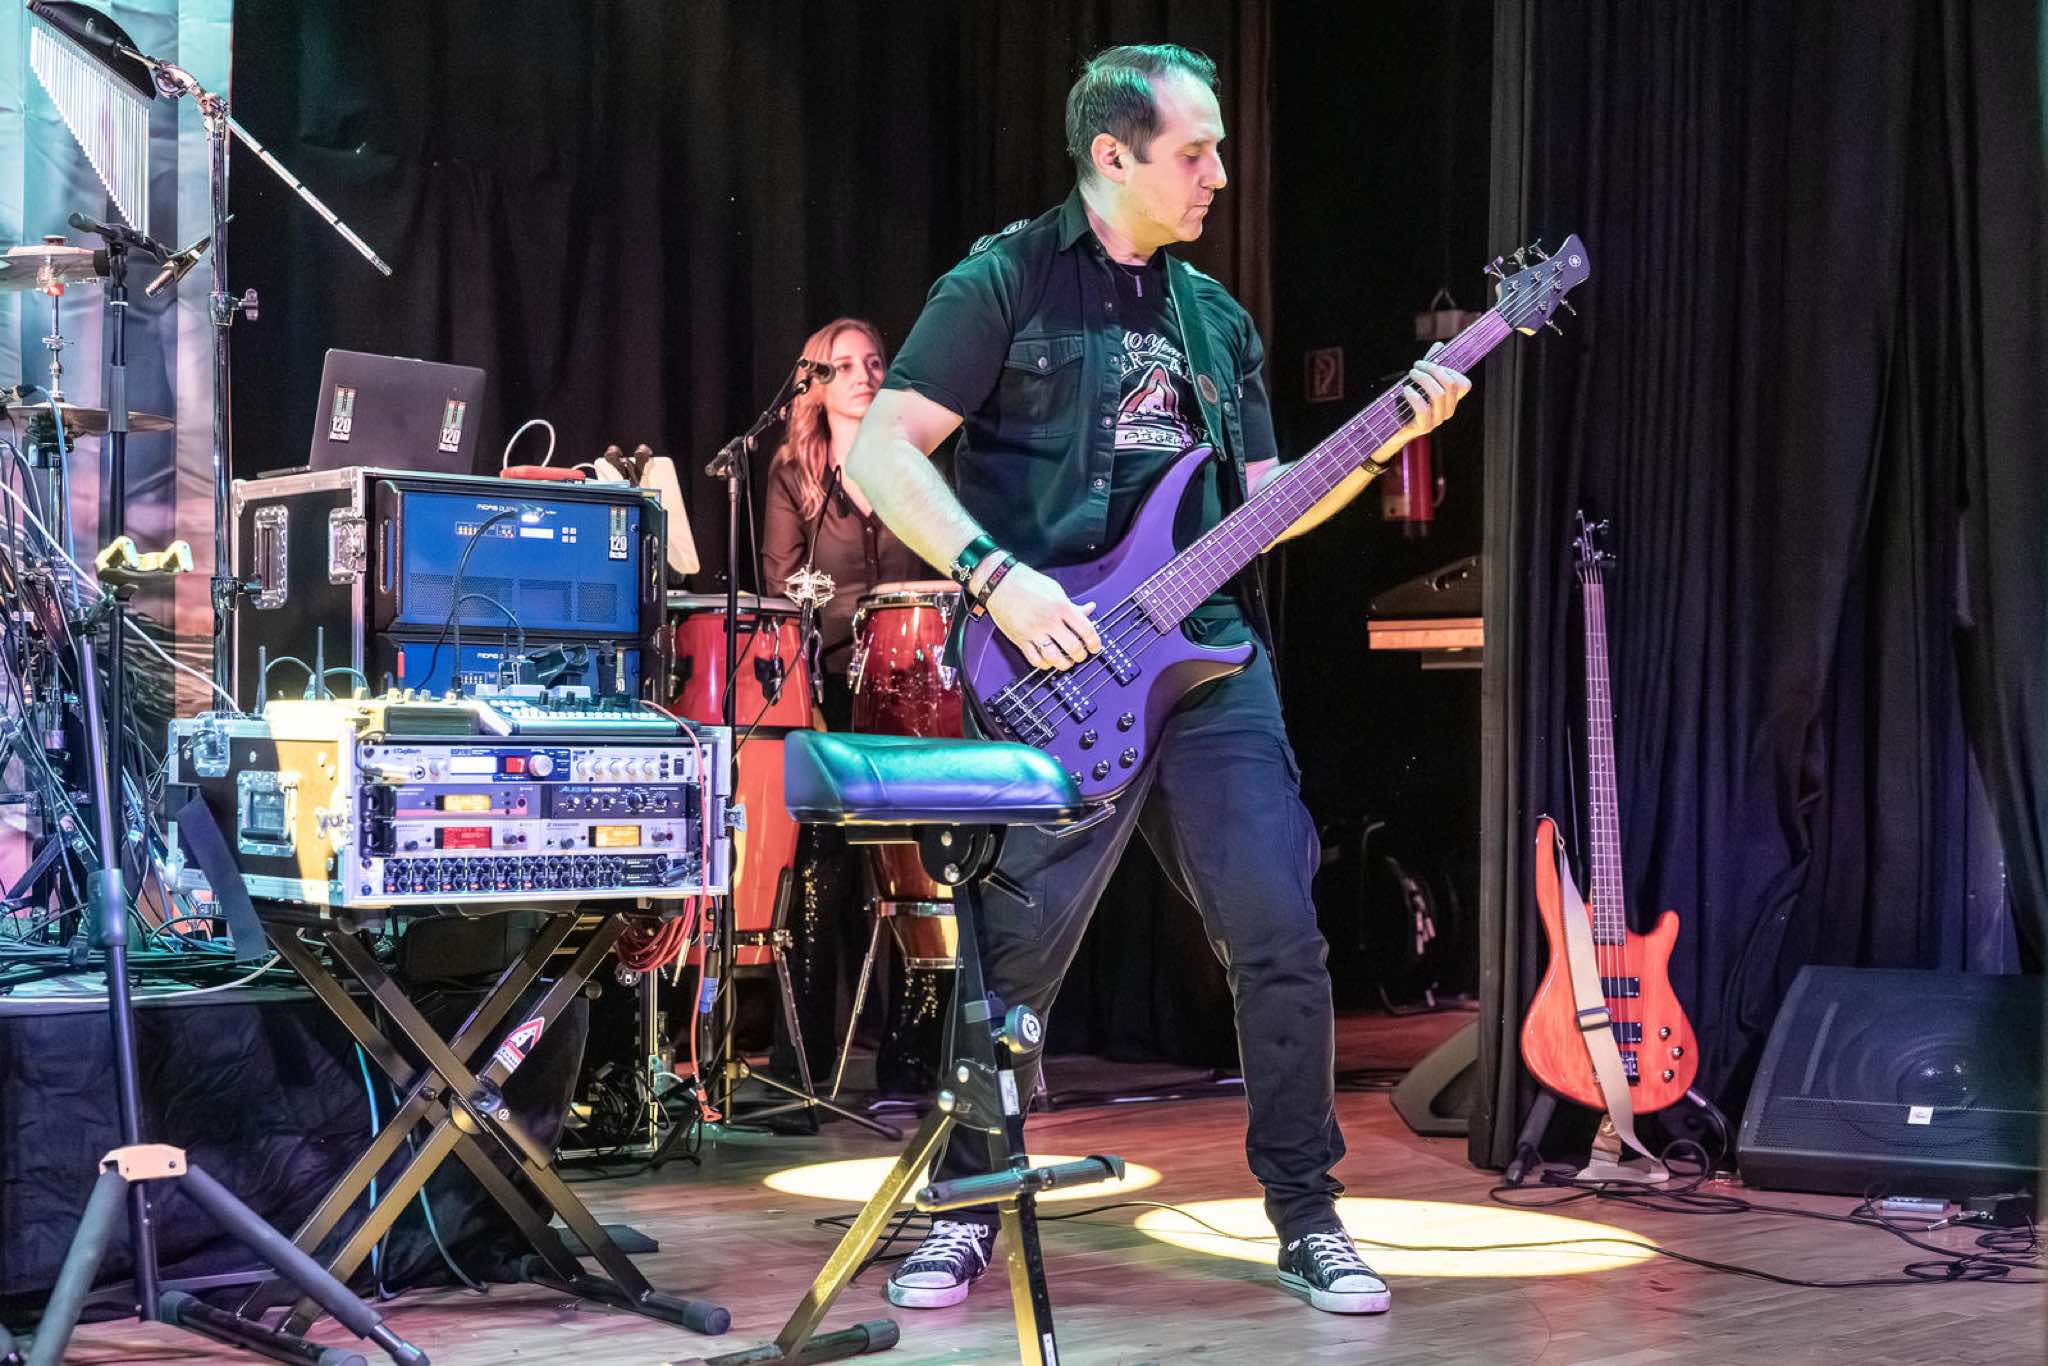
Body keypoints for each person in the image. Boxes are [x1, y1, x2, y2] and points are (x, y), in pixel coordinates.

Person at [845, 44, 1470, 1315]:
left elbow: (1260, 508)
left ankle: (1306, 1215)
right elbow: (878, 451)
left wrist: (1375, 444)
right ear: (1110, 156)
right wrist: (993, 577)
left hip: (1205, 661)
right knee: (1006, 959)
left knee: (1278, 931)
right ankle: (963, 1208)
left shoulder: (1213, 320)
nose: (1219, 175)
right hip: (1051, 658)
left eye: (1220, 149)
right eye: (1194, 152)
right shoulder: (1003, 280)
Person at [761, 317, 936, 1092]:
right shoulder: (793, 473)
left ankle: (915, 1053)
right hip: (829, 685)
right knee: (822, 864)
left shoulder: (914, 464)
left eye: (875, 362)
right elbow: (781, 587)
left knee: (920, 865)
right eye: (845, 365)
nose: (865, 375)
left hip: (913, 686)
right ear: (816, 383)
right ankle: (804, 1063)